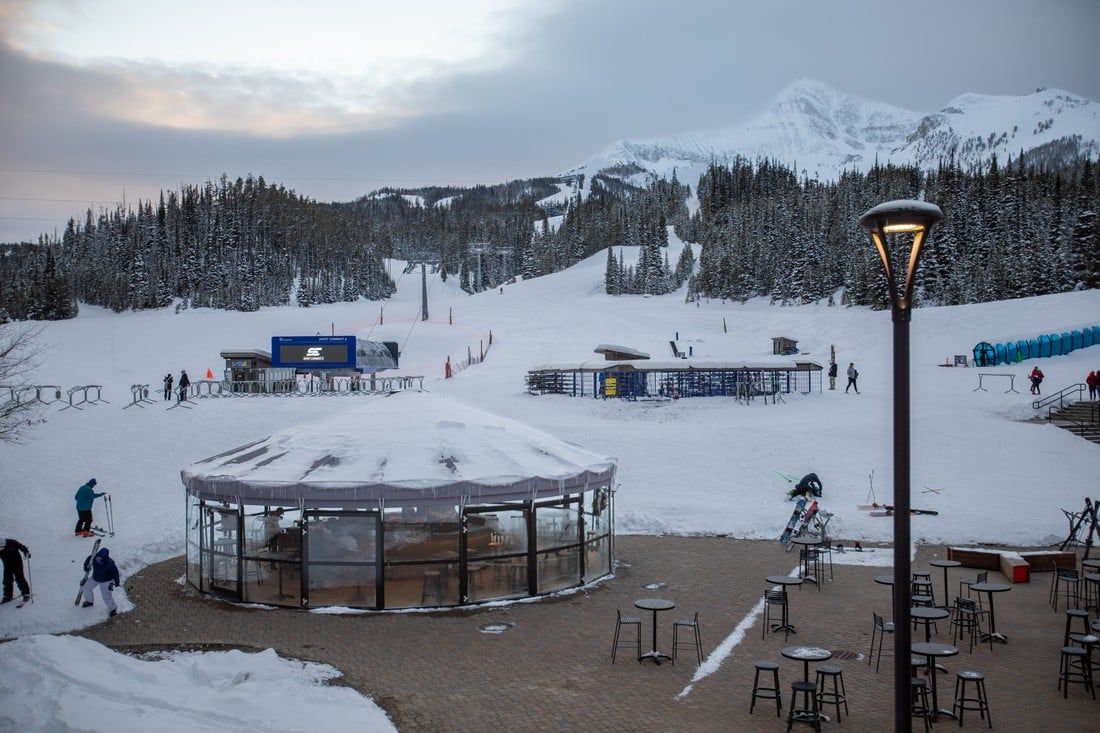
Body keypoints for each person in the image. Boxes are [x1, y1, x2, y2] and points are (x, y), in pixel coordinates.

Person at [80, 546, 121, 617]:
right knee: (86, 588)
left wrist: (116, 582)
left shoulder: (110, 564)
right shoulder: (94, 557)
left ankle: (112, 608)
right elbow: (88, 560)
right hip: (95, 578)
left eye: (101, 559)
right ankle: (89, 601)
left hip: (106, 581)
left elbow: (115, 573)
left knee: (106, 596)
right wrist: (85, 566)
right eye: (98, 558)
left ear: (105, 559)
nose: (98, 560)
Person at [1, 537, 31, 605]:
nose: (0, 550)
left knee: (19, 577)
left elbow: (22, 547)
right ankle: (7, 595)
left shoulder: (12, 542)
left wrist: (26, 552)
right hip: (7, 564)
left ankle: (26, 593)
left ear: (4, 544)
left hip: (17, 562)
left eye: (1, 548)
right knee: (7, 579)